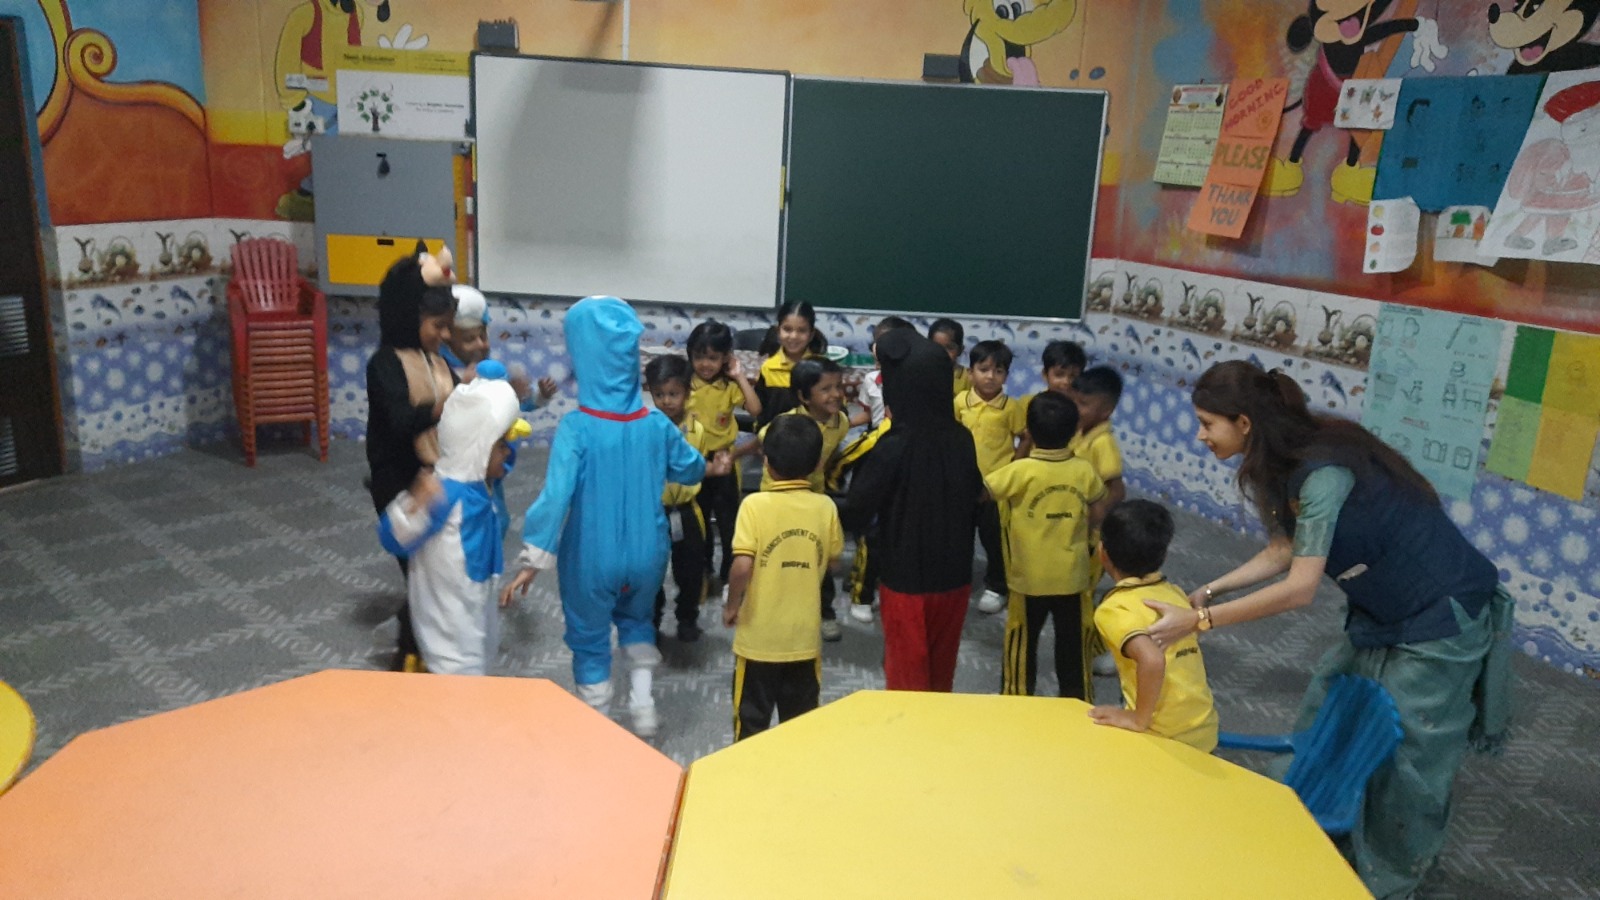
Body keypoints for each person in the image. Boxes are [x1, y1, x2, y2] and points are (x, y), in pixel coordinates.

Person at [1145, 360, 1513, 899]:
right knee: (1328, 711)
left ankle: (1388, 882)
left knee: (1410, 758)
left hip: (1440, 613)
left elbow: (1300, 588)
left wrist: (1199, 621)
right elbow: (1286, 548)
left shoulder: (1324, 472)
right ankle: (1308, 830)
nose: (1200, 435)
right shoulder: (1281, 463)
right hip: (1381, 611)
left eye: (1207, 423)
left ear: (1244, 423)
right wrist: (1212, 590)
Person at [500, 297, 707, 738]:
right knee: (637, 622)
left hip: (591, 557)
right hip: (649, 553)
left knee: (590, 638)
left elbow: (555, 498)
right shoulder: (656, 423)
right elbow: (692, 468)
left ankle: (597, 725)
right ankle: (643, 705)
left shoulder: (577, 427)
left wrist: (533, 559)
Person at [841, 329, 983, 692]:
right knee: (941, 672)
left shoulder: (893, 445)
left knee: (906, 677)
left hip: (905, 580)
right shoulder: (962, 438)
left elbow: (857, 509)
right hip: (956, 577)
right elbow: (974, 493)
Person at [377, 375, 530, 676]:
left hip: (475, 608)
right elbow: (391, 538)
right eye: (501, 445)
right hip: (449, 629)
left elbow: (498, 459)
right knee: (460, 686)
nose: (507, 452)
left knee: (479, 663)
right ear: (480, 449)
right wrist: (414, 504)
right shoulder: (443, 493)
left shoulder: (478, 482)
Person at [721, 415, 844, 740]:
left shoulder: (754, 505)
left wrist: (732, 606)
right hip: (804, 638)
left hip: (758, 640)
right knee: (799, 728)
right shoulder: (826, 507)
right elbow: (833, 562)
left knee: (751, 723)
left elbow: (742, 566)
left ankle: (750, 771)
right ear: (818, 464)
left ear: (766, 462)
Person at [365, 244, 458, 673]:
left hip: (433, 478)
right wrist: (448, 404)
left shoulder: (435, 360)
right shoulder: (384, 364)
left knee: (435, 571)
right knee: (420, 572)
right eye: (438, 326)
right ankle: (409, 652)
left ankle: (425, 645)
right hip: (398, 482)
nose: (445, 336)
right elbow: (401, 421)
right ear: (407, 316)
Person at [984, 391, 1109, 698]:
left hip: (1028, 578)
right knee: (1072, 644)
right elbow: (1098, 511)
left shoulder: (1020, 471)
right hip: (1073, 576)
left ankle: (1017, 699)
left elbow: (986, 491)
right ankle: (1075, 701)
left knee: (1022, 643)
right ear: (1075, 430)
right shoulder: (1083, 470)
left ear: (1030, 431)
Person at [1088, 500, 1217, 752]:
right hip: (1204, 727)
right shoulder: (1175, 593)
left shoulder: (1114, 609)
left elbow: (1152, 660)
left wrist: (1138, 719)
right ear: (1164, 555)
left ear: (1102, 552)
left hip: (1163, 736)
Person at [758, 358, 851, 641]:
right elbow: (763, 440)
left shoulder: (840, 422)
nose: (835, 394)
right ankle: (771, 611)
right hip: (777, 500)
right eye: (826, 389)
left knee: (817, 556)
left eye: (838, 386)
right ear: (803, 396)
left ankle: (825, 613)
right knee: (776, 557)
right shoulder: (786, 425)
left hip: (813, 500)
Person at [646, 354, 733, 642]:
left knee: (691, 569)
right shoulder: (644, 428)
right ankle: (651, 621)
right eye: (659, 394)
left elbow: (697, 468)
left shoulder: (696, 430)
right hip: (652, 510)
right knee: (650, 570)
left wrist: (715, 468)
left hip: (687, 509)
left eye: (673, 393)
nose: (666, 401)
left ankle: (687, 617)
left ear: (687, 392)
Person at [684, 320, 761, 594]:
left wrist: (739, 376)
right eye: (699, 357)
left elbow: (755, 409)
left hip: (725, 461)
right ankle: (703, 570)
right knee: (699, 523)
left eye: (713, 358)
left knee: (729, 524)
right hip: (694, 462)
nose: (705, 364)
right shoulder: (685, 384)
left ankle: (730, 574)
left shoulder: (729, 386)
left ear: (725, 358)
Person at [955, 339, 1028, 614]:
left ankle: (997, 586)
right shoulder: (960, 402)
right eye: (983, 369)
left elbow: (1025, 436)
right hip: (963, 484)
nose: (990, 376)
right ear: (970, 372)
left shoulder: (1010, 407)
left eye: (998, 371)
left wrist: (1014, 467)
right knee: (959, 536)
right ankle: (958, 580)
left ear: (1006, 376)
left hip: (996, 487)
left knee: (995, 538)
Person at [1067, 365, 1127, 677]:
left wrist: (1096, 518)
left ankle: (1106, 650)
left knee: (1084, 597)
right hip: (1075, 529)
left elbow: (1117, 489)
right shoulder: (1081, 432)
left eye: (1084, 404)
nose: (1075, 409)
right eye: (1074, 401)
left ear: (1106, 410)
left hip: (1092, 536)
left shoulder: (1102, 442)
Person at [441, 284, 558, 411]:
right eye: (469, 339)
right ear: (447, 343)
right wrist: (464, 387)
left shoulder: (489, 370)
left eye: (483, 337)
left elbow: (521, 404)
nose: (480, 344)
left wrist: (538, 395)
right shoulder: (440, 373)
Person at [753, 299, 827, 429]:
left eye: (801, 330)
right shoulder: (769, 368)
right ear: (778, 331)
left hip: (812, 436)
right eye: (787, 329)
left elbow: (834, 411)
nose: (793, 336)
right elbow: (761, 412)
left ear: (811, 335)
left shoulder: (822, 369)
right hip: (773, 436)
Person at [851, 316, 912, 429]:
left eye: (888, 343)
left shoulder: (916, 380)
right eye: (877, 342)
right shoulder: (871, 380)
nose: (880, 349)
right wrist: (845, 425)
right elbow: (870, 413)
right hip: (878, 436)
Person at [927, 318, 970, 396]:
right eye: (936, 347)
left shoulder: (968, 377)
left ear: (960, 350)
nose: (942, 353)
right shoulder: (922, 374)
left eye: (949, 348)